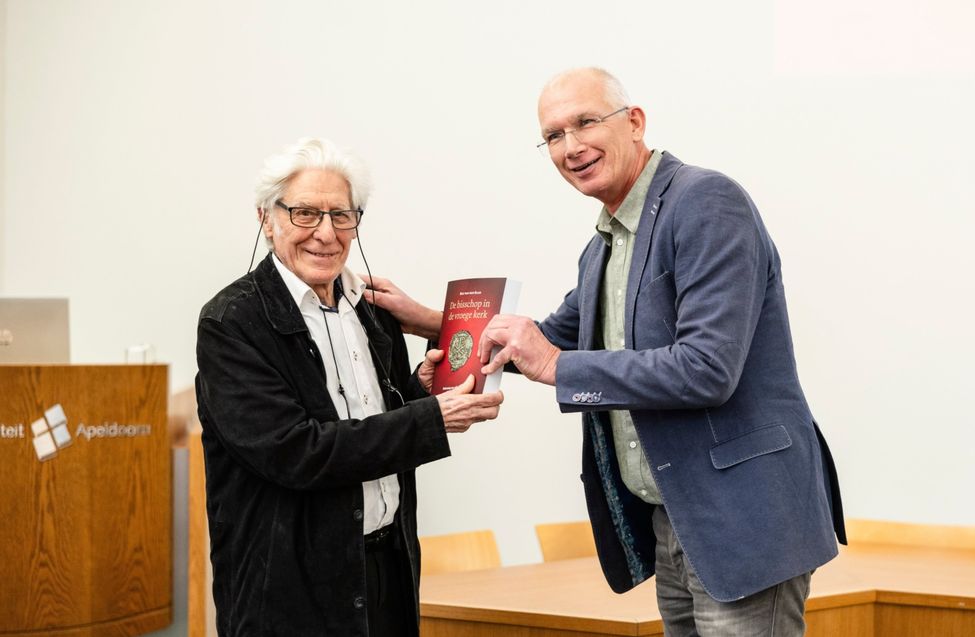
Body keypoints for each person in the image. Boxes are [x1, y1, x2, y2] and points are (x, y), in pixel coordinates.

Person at [366, 68, 846, 636]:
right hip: (673, 518)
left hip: (742, 518)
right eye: (553, 136)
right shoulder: (604, 245)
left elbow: (707, 369)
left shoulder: (706, 202)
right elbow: (549, 337)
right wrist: (429, 320)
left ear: (635, 122)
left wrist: (554, 365)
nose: (570, 147)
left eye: (585, 122)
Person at [195, 137, 503, 637]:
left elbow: (374, 427)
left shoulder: (372, 310)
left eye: (342, 215)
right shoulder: (232, 322)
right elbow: (295, 451)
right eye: (304, 214)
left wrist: (420, 395)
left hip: (387, 569)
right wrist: (429, 418)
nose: (326, 233)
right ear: (266, 219)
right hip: (290, 591)